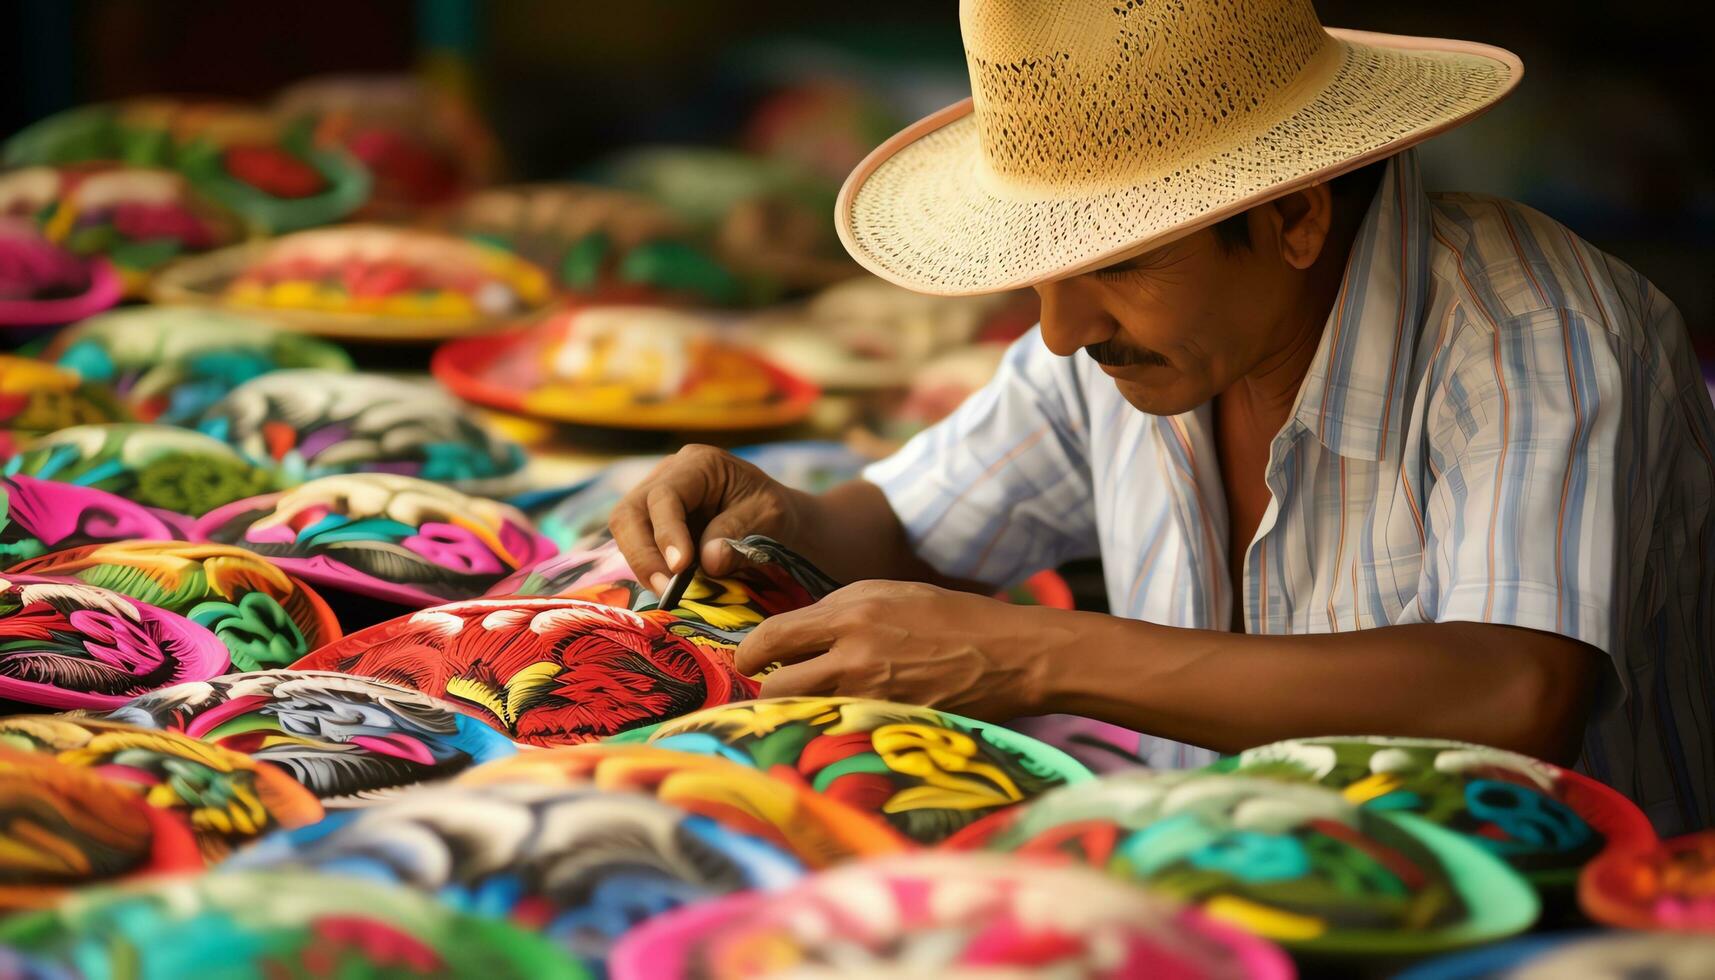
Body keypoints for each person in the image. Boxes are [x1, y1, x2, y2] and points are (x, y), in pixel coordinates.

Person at [611, 0, 1714, 835]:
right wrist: (775, 520)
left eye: (1118, 262)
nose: (1056, 330)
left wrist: (1030, 654)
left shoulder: (1534, 333)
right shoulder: (1127, 343)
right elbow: (904, 529)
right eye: (1040, 269)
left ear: (1290, 213)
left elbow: (1511, 692)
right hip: (1204, 879)